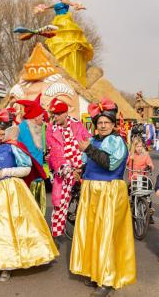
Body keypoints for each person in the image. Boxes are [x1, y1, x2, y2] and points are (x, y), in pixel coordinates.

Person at [0, 108, 58, 281]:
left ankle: (8, 265)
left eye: (2, 129)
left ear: (8, 129)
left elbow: (26, 168)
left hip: (11, 191)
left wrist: (4, 172)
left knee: (10, 226)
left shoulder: (15, 146)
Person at [70, 98, 135, 297]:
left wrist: (88, 149)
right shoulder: (93, 140)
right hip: (91, 191)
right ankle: (94, 270)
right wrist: (79, 170)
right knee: (92, 232)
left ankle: (107, 278)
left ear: (114, 124)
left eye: (107, 122)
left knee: (107, 233)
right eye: (100, 123)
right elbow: (87, 162)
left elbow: (109, 164)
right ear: (96, 125)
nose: (103, 125)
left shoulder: (117, 141)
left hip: (110, 192)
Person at [34, 0, 93, 86]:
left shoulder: (64, 0)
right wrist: (42, 8)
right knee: (59, 43)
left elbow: (71, 3)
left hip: (64, 23)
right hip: (59, 23)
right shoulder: (57, 3)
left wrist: (77, 5)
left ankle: (69, 72)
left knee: (67, 44)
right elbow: (49, 6)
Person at [45, 97, 91, 242]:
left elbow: (88, 141)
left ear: (65, 113)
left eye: (58, 114)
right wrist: (66, 169)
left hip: (81, 166)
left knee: (90, 196)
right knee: (59, 202)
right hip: (64, 167)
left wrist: (83, 164)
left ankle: (89, 227)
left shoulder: (77, 125)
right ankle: (56, 234)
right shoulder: (51, 129)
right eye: (54, 115)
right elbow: (54, 152)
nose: (55, 117)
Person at [15, 94, 48, 215]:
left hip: (39, 178)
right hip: (26, 178)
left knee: (39, 210)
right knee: (27, 211)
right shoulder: (20, 129)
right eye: (41, 115)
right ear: (34, 117)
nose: (44, 117)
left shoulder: (40, 129)